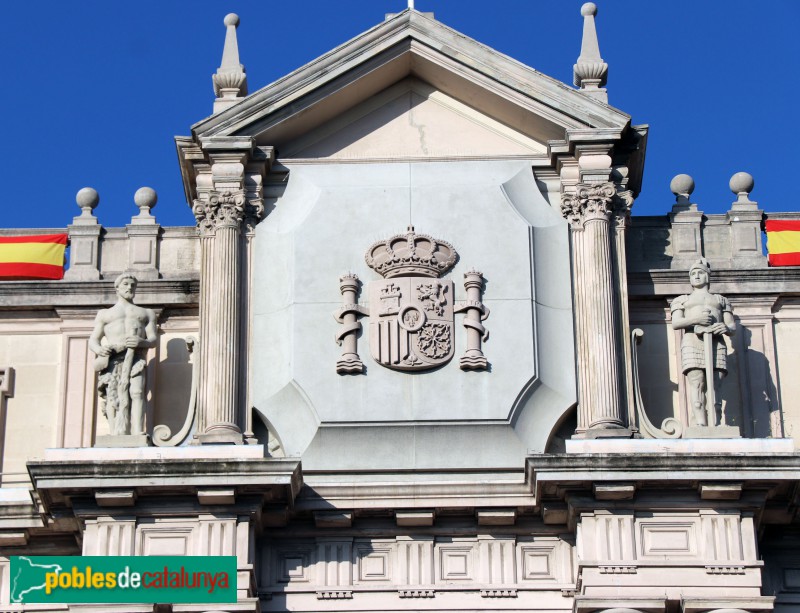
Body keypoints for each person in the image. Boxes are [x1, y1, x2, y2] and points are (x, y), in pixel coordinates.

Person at [89, 273, 157, 436]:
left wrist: (142, 343)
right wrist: (100, 350)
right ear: (117, 287)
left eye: (133, 285)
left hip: (136, 358)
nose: (130, 287)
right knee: (113, 396)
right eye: (126, 284)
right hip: (113, 359)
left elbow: (153, 339)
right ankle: (115, 433)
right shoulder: (105, 314)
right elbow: (93, 340)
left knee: (137, 392)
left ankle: (137, 431)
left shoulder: (146, 313)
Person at [670, 258, 735, 427]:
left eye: (700, 273)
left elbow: (732, 326)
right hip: (693, 341)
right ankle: (700, 423)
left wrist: (724, 327)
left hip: (716, 342)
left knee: (716, 384)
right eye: (693, 273)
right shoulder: (682, 300)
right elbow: (677, 323)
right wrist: (695, 319)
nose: (696, 276)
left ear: (708, 276)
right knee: (697, 382)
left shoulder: (721, 300)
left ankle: (716, 422)